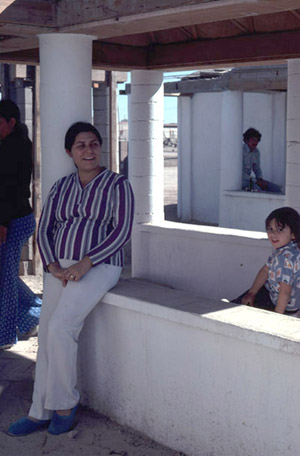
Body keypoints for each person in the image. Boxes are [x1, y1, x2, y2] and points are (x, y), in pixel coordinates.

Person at [8, 121, 134, 437]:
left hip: (101, 265)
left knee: (62, 327)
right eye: (81, 145)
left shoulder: (118, 185)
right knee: (48, 338)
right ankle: (39, 412)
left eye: (93, 144)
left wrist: (85, 264)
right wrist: (52, 266)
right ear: (70, 152)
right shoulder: (61, 186)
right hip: (60, 268)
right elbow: (46, 227)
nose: (88, 150)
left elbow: (121, 232)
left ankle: (65, 405)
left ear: (100, 147)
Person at [0, 99, 41, 350]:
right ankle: (35, 315)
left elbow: (9, 190)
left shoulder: (15, 147)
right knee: (4, 276)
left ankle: (5, 336)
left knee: (4, 279)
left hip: (12, 221)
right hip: (9, 219)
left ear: (11, 123)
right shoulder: (7, 143)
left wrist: (2, 224)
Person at [232, 207, 300, 315]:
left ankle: (231, 309)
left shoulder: (284, 259)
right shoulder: (289, 249)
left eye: (279, 229)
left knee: (242, 308)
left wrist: (277, 316)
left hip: (280, 304)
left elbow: (285, 291)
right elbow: (265, 271)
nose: (273, 234)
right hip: (279, 296)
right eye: (270, 229)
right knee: (253, 294)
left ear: (293, 234)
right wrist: (252, 292)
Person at [242, 127, 282, 193]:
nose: (255, 142)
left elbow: (257, 168)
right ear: (246, 140)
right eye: (253, 139)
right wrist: (256, 181)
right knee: (259, 191)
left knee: (276, 189)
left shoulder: (256, 152)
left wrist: (260, 179)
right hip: (242, 180)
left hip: (251, 180)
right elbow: (240, 173)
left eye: (257, 140)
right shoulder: (240, 151)